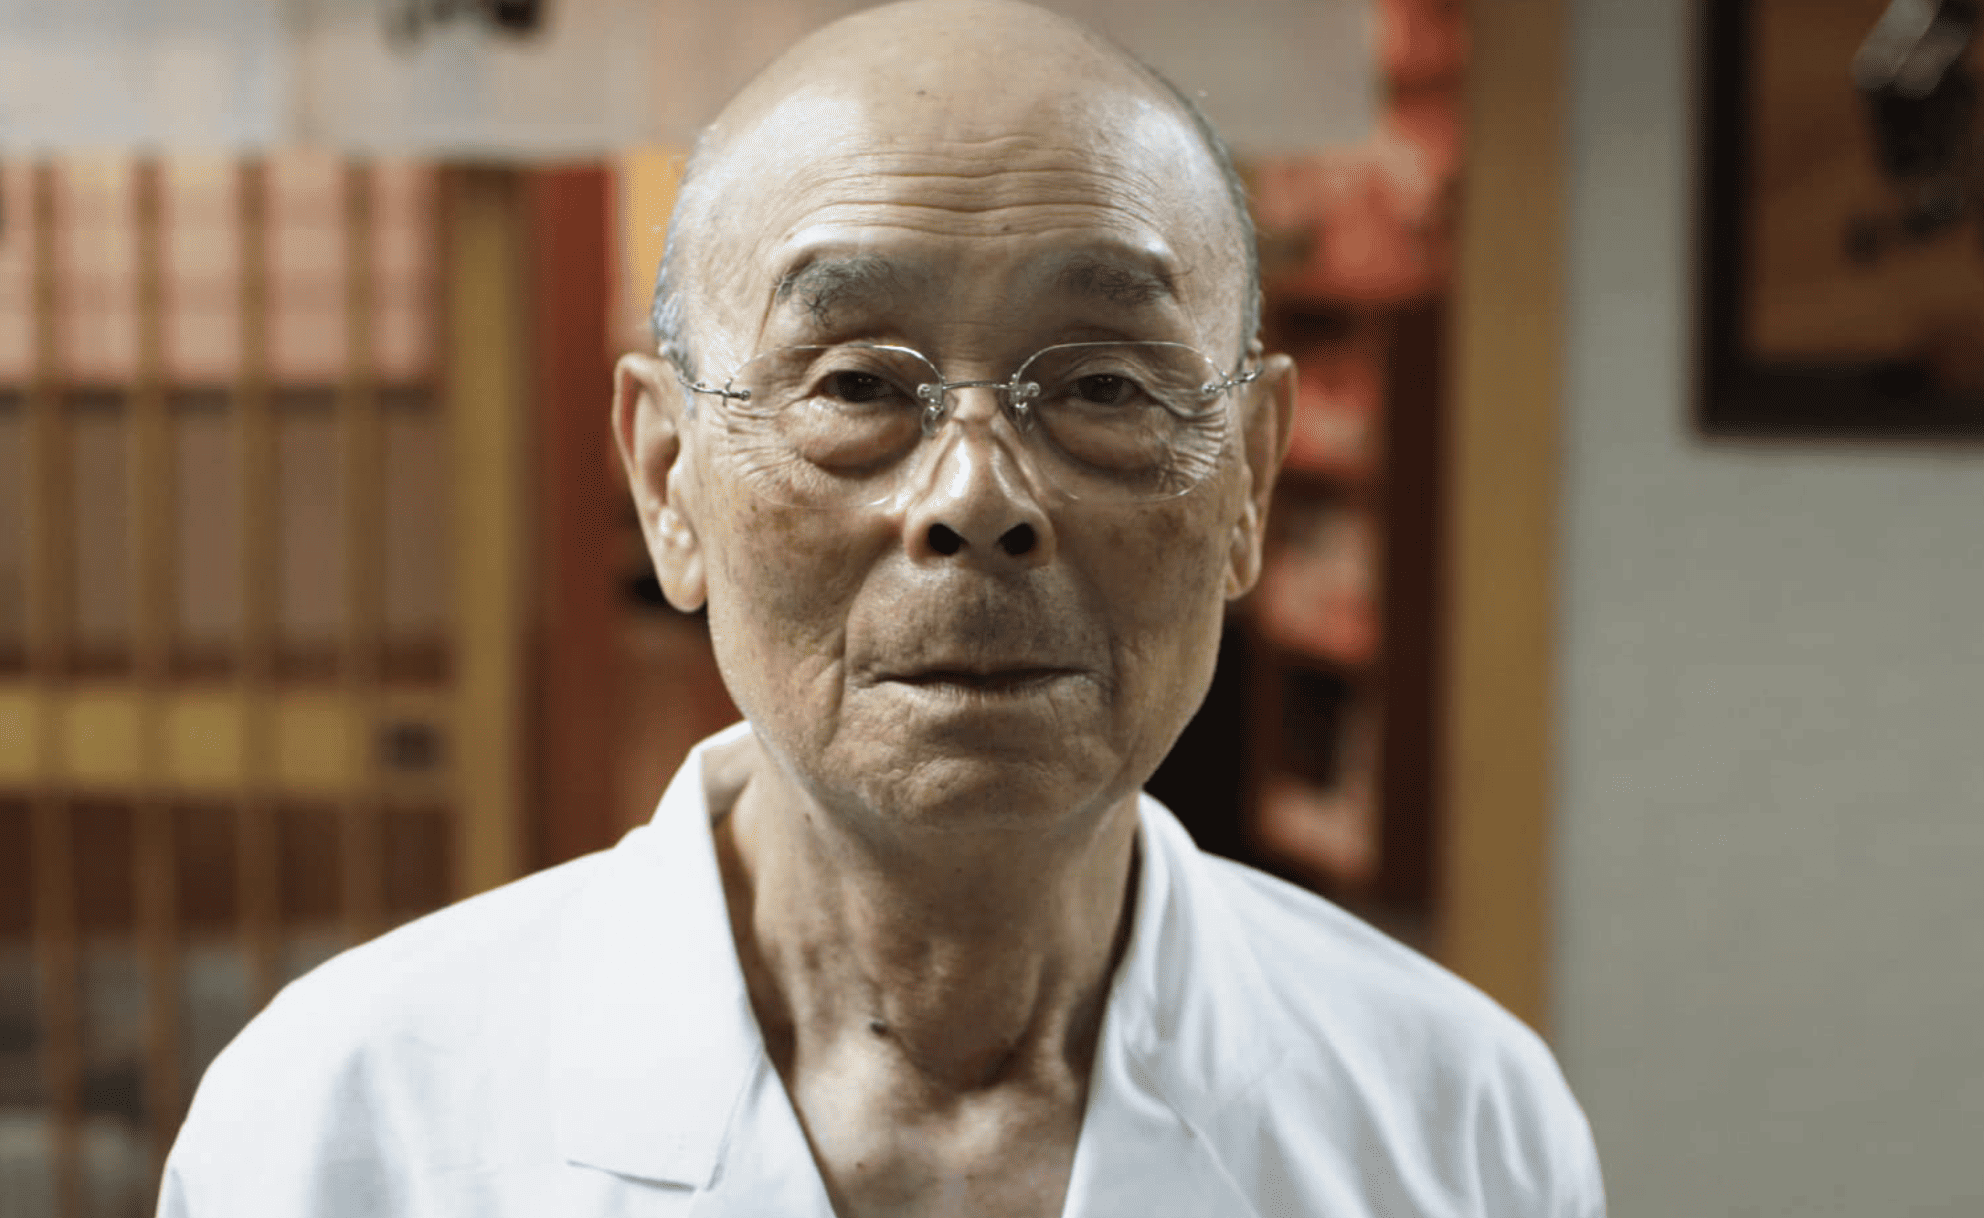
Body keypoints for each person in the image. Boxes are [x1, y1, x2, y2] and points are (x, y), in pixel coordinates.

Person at [160, 2, 1606, 1214]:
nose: (977, 494)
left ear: (1250, 481)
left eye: (1104, 383)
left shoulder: (1455, 1125)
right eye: (858, 383)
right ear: (669, 478)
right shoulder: (343, 1129)